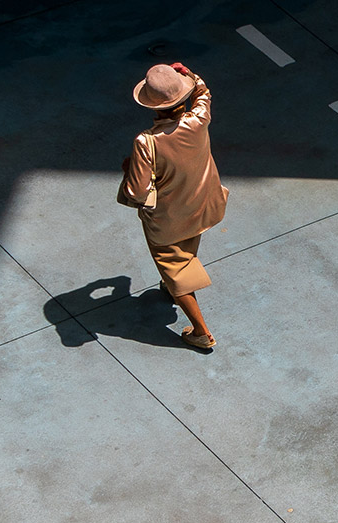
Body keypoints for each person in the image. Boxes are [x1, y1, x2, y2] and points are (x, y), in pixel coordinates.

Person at [119, 62, 228, 350]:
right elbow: (204, 93)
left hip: (169, 218)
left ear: (151, 105)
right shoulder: (198, 118)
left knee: (176, 270)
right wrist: (190, 75)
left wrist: (128, 169)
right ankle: (170, 286)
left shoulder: (147, 141)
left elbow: (137, 191)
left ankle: (201, 332)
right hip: (204, 204)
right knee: (188, 245)